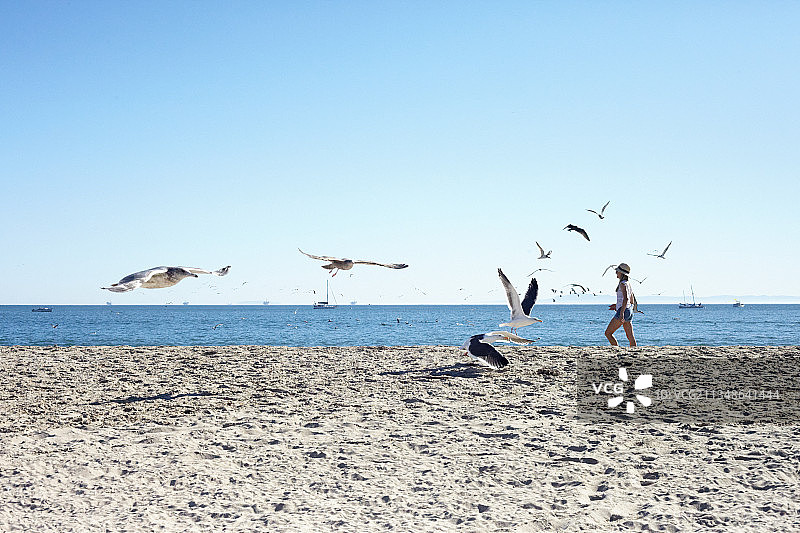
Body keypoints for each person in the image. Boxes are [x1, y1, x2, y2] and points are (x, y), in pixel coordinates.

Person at [605, 263, 637, 346]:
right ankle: (634, 352)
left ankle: (616, 350)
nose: (616, 272)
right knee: (630, 336)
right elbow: (631, 300)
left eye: (617, 271)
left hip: (623, 311)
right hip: (629, 311)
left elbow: (626, 299)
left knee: (608, 333)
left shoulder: (622, 284)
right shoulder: (628, 283)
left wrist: (621, 313)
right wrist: (617, 305)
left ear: (622, 273)